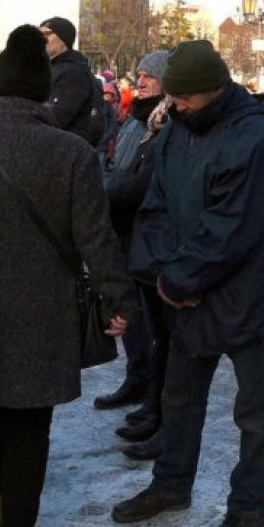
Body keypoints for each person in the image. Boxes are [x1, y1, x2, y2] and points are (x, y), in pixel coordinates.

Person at [0, 25, 136, 527]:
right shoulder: (71, 154)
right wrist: (119, 300)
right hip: (40, 308)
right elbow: (96, 239)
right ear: (43, 91)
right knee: (29, 424)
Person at [112, 40, 264, 527]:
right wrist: (166, 274)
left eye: (184, 98)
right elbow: (156, 206)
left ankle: (247, 510)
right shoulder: (177, 131)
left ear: (212, 91)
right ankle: (171, 482)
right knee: (180, 397)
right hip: (184, 294)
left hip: (243, 299)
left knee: (255, 414)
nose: (177, 106)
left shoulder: (255, 138)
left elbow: (233, 227)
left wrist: (181, 279)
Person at [98, 51, 172, 463]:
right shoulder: (140, 118)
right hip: (126, 227)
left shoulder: (161, 122)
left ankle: (149, 391)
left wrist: (102, 197)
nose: (141, 81)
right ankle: (138, 381)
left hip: (144, 229)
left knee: (148, 322)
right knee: (132, 312)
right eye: (139, 74)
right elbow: (121, 168)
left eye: (150, 76)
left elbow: (143, 182)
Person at [39, 16, 104, 144]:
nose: (41, 39)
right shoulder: (52, 68)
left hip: (66, 151)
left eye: (46, 34)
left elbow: (56, 117)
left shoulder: (73, 72)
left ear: (63, 39)